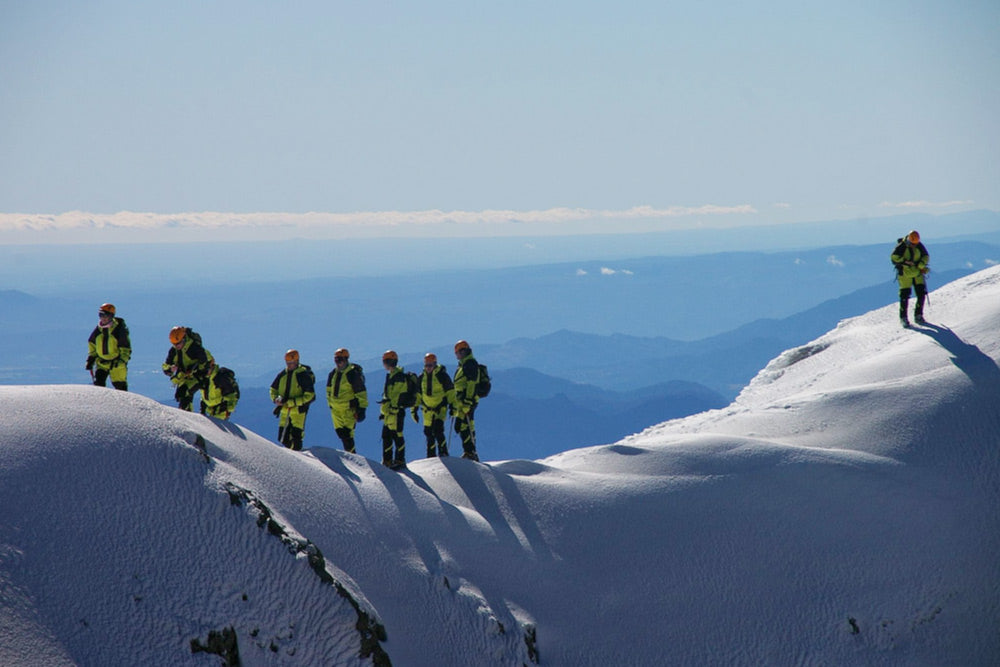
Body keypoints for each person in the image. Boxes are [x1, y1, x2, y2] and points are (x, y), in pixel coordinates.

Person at [269, 349, 316, 451]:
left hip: (298, 412)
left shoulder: (302, 374)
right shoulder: (283, 374)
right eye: (287, 363)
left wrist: (293, 402)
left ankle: (297, 459)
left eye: (291, 363)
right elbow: (273, 389)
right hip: (285, 411)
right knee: (282, 438)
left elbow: (310, 395)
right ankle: (292, 457)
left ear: (297, 361)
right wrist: (275, 399)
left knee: (297, 438)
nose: (289, 365)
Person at [326, 348, 368, 453]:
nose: (338, 362)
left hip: (348, 410)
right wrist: (330, 405)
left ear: (346, 359)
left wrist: (362, 409)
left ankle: (353, 458)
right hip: (335, 411)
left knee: (348, 435)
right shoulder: (332, 374)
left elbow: (361, 392)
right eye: (336, 360)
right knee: (341, 434)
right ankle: (351, 457)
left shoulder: (352, 374)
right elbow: (328, 391)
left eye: (340, 359)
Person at [162, 326, 214, 411]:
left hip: (199, 376)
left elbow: (204, 363)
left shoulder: (194, 348)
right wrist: (170, 369)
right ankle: (187, 415)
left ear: (184, 339)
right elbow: (165, 366)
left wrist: (194, 370)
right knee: (180, 394)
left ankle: (188, 417)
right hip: (185, 377)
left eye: (178, 343)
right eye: (174, 344)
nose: (176, 346)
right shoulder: (173, 351)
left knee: (185, 393)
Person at [414, 352, 455, 457]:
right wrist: (414, 409)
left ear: (435, 364)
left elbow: (450, 392)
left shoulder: (442, 376)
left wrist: (453, 406)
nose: (428, 367)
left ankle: (443, 452)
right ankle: (430, 455)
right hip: (426, 410)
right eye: (426, 365)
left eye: (430, 365)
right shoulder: (421, 377)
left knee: (438, 430)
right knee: (428, 433)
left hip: (440, 408)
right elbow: (418, 395)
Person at [86, 303, 131, 391]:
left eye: (105, 315)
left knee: (120, 388)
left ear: (111, 316)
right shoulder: (98, 330)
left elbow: (125, 347)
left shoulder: (118, 330)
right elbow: (92, 345)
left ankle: (123, 405)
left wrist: (122, 360)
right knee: (99, 386)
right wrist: (91, 359)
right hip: (101, 362)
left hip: (117, 364)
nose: (103, 318)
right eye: (101, 315)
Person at [891, 230, 930, 326]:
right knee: (905, 296)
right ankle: (904, 318)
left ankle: (918, 315)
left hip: (916, 273)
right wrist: (906, 262)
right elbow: (894, 257)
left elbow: (925, 256)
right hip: (905, 274)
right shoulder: (902, 246)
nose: (914, 245)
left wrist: (921, 264)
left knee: (921, 294)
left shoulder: (918, 244)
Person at [452, 340, 482, 461]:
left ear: (462, 351)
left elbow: (471, 384)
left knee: (465, 426)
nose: (456, 356)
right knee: (463, 426)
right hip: (462, 403)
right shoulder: (464, 364)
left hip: (466, 402)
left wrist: (468, 401)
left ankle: (470, 452)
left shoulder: (469, 364)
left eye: (457, 353)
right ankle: (469, 451)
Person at [379, 350, 408, 469]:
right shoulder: (393, 375)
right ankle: (388, 460)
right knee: (387, 435)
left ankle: (399, 460)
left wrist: (391, 408)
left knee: (397, 435)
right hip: (389, 413)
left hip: (395, 412)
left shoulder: (398, 377)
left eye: (385, 361)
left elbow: (396, 395)